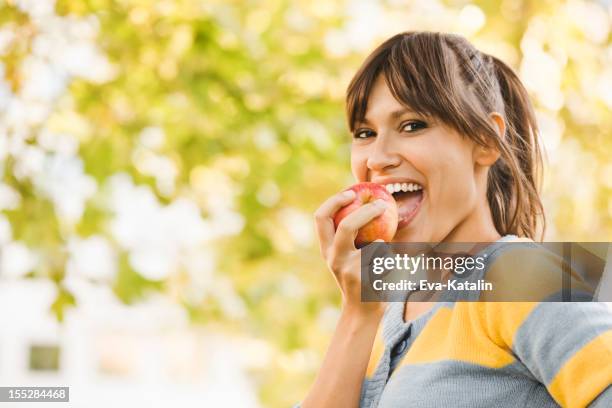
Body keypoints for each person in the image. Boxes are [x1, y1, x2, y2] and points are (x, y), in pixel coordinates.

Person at [299, 31, 612, 407]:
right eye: (365, 133)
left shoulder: (522, 274)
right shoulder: (385, 313)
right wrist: (357, 313)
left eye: (412, 125)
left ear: (485, 141)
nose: (377, 158)